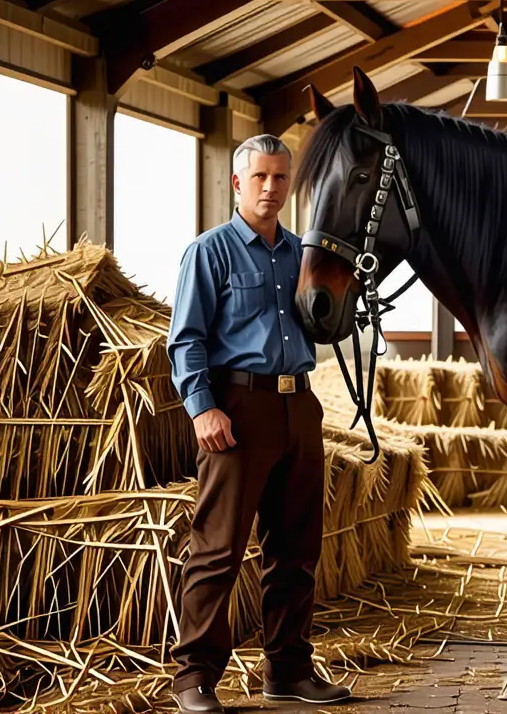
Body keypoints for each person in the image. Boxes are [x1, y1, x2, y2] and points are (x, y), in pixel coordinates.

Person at [166, 134, 350, 713]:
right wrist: (203, 407)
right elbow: (186, 340)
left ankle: (289, 672)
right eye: (260, 178)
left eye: (280, 178)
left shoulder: (302, 254)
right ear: (237, 184)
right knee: (218, 549)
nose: (271, 188)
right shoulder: (209, 252)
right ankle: (193, 678)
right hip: (238, 409)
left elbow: (323, 326)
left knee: (297, 549)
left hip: (300, 406)